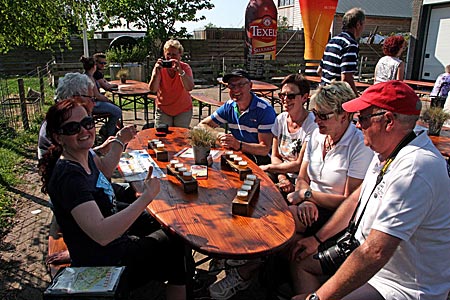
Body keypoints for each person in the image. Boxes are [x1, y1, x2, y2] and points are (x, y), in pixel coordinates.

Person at [291, 81, 450, 300]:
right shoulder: (390, 149)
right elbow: (357, 198)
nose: (357, 125)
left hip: (400, 285)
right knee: (302, 264)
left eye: (363, 119)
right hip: (363, 254)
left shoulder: (416, 168)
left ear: (388, 121)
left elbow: (375, 252)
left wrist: (317, 298)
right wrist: (317, 240)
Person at [38, 99, 187, 299]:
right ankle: (182, 283)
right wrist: (146, 197)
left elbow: (105, 171)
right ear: (58, 137)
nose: (84, 131)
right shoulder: (69, 177)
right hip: (106, 260)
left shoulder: (84, 154)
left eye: (87, 123)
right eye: (73, 128)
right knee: (176, 242)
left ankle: (184, 278)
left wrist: (118, 140)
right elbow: (103, 233)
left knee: (166, 221)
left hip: (101, 244)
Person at [286, 81, 373, 294]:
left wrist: (308, 195)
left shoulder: (359, 144)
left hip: (339, 215)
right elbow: (302, 176)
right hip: (310, 206)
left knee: (284, 226)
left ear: (344, 115)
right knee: (284, 233)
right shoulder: (317, 135)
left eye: (323, 116)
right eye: (315, 113)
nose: (316, 120)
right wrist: (306, 200)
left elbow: (350, 200)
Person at [199, 69, 276, 166]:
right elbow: (202, 125)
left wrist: (238, 145)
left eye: (240, 85)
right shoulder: (229, 106)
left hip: (260, 161)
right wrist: (219, 135)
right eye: (231, 86)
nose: (235, 89)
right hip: (236, 155)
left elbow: (264, 149)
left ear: (250, 86)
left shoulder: (264, 110)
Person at [260, 74, 317, 196]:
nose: (285, 99)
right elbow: (275, 155)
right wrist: (282, 178)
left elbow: (298, 165)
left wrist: (270, 168)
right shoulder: (280, 119)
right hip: (280, 174)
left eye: (291, 96)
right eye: (282, 95)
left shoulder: (312, 125)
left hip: (302, 179)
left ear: (304, 97)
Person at [317, 8, 366, 96]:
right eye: (363, 25)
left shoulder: (332, 41)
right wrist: (356, 96)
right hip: (335, 98)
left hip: (322, 94)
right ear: (358, 24)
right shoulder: (350, 44)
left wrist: (328, 85)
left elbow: (319, 71)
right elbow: (346, 78)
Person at [148, 39, 195, 128]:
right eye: (168, 54)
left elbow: (189, 87)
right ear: (164, 54)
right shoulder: (160, 67)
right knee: (162, 136)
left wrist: (180, 72)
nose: (171, 57)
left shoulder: (185, 67)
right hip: (164, 109)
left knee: (181, 137)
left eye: (174, 54)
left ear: (180, 55)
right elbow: (152, 89)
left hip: (182, 109)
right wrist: (156, 73)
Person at [80, 55, 122, 138]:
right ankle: (110, 133)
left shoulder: (84, 76)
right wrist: (108, 100)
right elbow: (97, 96)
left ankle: (109, 128)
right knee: (117, 111)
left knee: (113, 108)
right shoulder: (90, 78)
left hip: (86, 104)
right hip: (92, 104)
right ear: (94, 66)